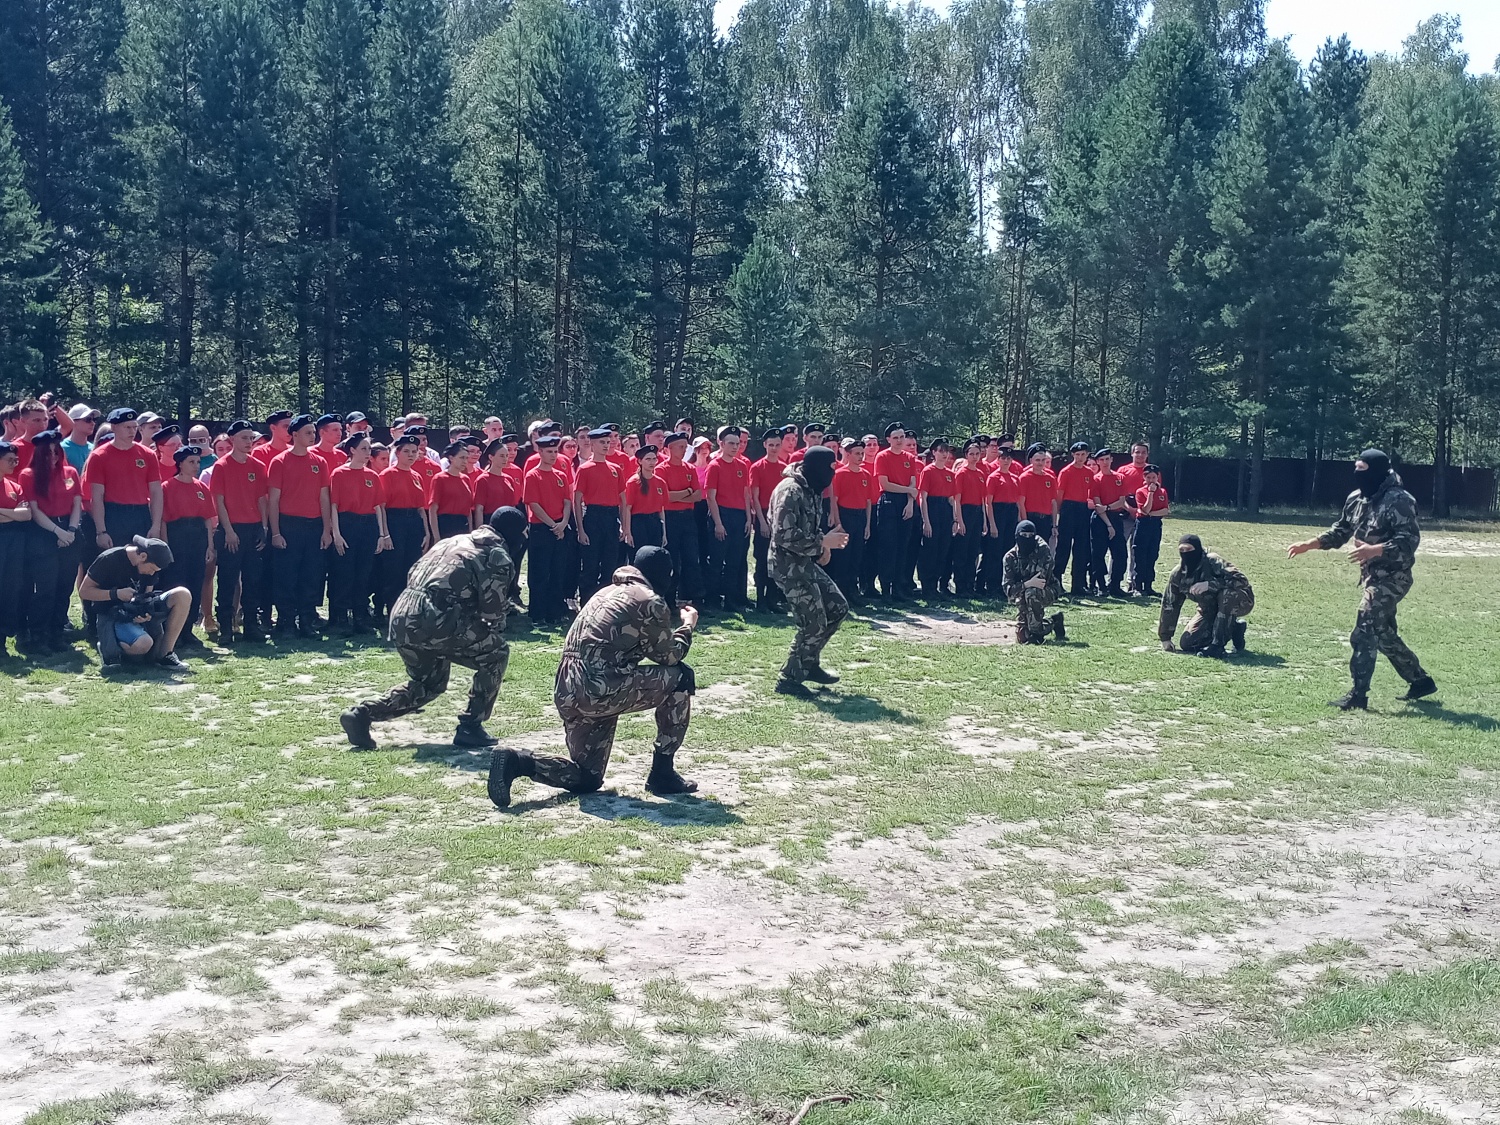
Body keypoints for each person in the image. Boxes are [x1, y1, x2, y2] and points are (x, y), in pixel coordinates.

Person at [488, 545, 701, 807]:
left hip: (568, 689)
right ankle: (663, 773)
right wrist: (687, 626)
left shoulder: (605, 592)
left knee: (588, 777)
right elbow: (670, 656)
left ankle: (518, 762)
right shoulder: (648, 601)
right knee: (680, 677)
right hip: (600, 688)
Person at [340, 508, 525, 751]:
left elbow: (414, 572)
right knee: (496, 653)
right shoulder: (496, 555)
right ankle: (471, 725)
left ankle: (363, 713)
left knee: (429, 683)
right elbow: (493, 611)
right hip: (437, 619)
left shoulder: (452, 541)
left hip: (403, 615)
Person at [1287, 449, 1436, 710]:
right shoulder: (1356, 499)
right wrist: (1310, 544)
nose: (1358, 475)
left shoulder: (1399, 500)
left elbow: (1408, 541)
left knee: (1365, 627)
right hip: (1371, 576)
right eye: (1356, 469)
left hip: (1394, 577)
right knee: (1383, 633)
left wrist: (1375, 550)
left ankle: (1358, 695)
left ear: (1378, 471)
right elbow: (1341, 530)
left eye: (1363, 470)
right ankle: (1420, 680)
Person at [769, 446, 849, 695]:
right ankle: (788, 679)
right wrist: (822, 543)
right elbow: (783, 535)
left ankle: (808, 663)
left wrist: (821, 547)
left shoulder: (812, 487)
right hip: (787, 567)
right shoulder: (790, 491)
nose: (832, 474)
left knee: (837, 607)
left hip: (805, 562)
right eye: (830, 468)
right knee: (813, 623)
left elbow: (810, 527)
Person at [78, 535, 193, 672]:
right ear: (143, 556)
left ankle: (165, 655)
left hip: (134, 611)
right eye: (152, 569)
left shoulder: (149, 566)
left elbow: (146, 596)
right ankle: (109, 648)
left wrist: (146, 613)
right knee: (144, 644)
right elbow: (84, 591)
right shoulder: (109, 559)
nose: (152, 573)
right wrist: (116, 594)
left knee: (182, 594)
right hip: (113, 614)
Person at [268, 415, 332, 637]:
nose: (312, 436)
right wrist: (275, 532)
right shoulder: (280, 461)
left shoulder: (319, 462)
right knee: (286, 575)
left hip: (314, 526)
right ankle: (286, 622)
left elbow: (324, 498)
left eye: (313, 432)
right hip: (289, 525)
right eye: (307, 432)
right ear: (294, 435)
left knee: (312, 575)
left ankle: (306, 620)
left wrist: (326, 530)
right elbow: (273, 500)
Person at [17, 431, 82, 652]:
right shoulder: (28, 474)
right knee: (46, 587)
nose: (53, 457)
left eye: (57, 452)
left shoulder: (70, 472)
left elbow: (76, 504)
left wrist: (71, 530)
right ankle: (38, 636)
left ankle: (57, 632)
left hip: (69, 529)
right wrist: (58, 532)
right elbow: (34, 510)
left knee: (64, 586)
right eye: (48, 453)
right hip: (43, 532)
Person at [210, 420, 270, 645]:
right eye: (244, 438)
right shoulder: (222, 466)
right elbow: (219, 501)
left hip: (253, 528)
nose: (248, 442)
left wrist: (263, 527)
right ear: (232, 440)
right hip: (231, 530)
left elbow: (261, 499)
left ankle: (251, 626)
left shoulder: (257, 466)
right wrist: (228, 531)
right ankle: (226, 627)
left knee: (253, 580)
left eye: (250, 438)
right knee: (227, 580)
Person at [328, 432, 389, 634]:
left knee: (363, 574)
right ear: (352, 450)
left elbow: (378, 507)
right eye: (363, 449)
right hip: (347, 523)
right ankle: (340, 618)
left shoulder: (372, 476)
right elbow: (334, 506)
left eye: (369, 450)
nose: (366, 453)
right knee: (344, 573)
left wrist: (381, 534)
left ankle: (360, 617)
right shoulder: (339, 473)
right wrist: (336, 533)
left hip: (368, 525)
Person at [1158, 535, 1253, 658]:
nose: (1186, 554)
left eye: (1189, 549)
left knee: (1226, 595)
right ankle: (1235, 628)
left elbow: (1241, 581)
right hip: (1209, 608)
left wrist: (1210, 585)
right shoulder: (1179, 574)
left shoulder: (1213, 561)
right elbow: (1170, 604)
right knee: (1188, 644)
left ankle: (1217, 646)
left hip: (1239, 601)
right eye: (1182, 550)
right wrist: (1165, 637)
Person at [159, 447, 217, 645]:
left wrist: (210, 546)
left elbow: (208, 519)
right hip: (177, 536)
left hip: (197, 537)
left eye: (198, 462)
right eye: (191, 462)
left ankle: (188, 628)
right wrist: (165, 544)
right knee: (176, 580)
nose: (196, 466)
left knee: (195, 580)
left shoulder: (201, 488)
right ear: (180, 464)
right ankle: (172, 628)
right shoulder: (167, 487)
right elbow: (164, 519)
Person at [86, 409, 164, 551]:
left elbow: (156, 491)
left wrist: (155, 525)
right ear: (114, 427)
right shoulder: (99, 456)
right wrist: (101, 531)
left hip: (141, 514)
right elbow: (96, 497)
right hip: (113, 514)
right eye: (127, 427)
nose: (132, 431)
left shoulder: (148, 455)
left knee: (144, 566)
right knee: (116, 566)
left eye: (134, 427)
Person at [378, 434, 429, 619]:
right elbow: (382, 507)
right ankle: (391, 609)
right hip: (395, 520)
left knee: (412, 567)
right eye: (406, 451)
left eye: (414, 452)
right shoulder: (387, 475)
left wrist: (426, 532)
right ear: (397, 453)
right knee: (394, 568)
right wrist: (385, 533)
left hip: (413, 522)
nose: (411, 455)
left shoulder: (416, 475)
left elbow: (421, 508)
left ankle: (409, 609)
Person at [523, 433, 571, 625]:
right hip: (541, 529)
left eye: (555, 452)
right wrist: (553, 525)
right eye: (549, 452)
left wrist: (563, 523)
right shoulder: (532, 475)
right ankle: (538, 614)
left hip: (560, 527)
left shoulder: (561, 475)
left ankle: (554, 612)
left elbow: (567, 501)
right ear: (540, 452)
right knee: (540, 573)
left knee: (558, 571)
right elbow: (533, 504)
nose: (553, 455)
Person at [574, 428, 626, 601]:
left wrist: (624, 527)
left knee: (610, 562)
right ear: (593, 444)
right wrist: (580, 530)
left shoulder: (616, 469)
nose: (606, 445)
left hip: (611, 518)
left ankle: (606, 601)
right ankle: (587, 601)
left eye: (607, 441)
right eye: (602, 442)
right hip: (593, 516)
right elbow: (577, 499)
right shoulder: (585, 469)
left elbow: (622, 500)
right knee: (590, 563)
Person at [704, 427, 752, 611]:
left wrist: (748, 519)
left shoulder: (742, 466)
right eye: (731, 443)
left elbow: (746, 494)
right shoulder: (714, 466)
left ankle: (731, 601)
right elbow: (711, 497)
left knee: (734, 560)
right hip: (721, 514)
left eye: (737, 443)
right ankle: (712, 600)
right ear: (721, 444)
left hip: (739, 516)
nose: (735, 447)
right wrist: (718, 523)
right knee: (716, 561)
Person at [873, 423, 919, 601]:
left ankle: (898, 588)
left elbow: (912, 483)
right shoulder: (882, 457)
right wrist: (908, 491)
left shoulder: (910, 457)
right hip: (889, 501)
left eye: (902, 437)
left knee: (903, 547)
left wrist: (909, 502)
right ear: (889, 440)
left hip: (906, 503)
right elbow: (885, 484)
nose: (899, 441)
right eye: (896, 437)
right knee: (888, 546)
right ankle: (886, 588)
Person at [658, 432, 704, 605]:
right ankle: (669, 599)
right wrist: (686, 492)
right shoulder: (661, 469)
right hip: (670, 518)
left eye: (686, 446)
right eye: (681, 447)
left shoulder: (690, 468)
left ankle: (697, 598)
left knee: (692, 558)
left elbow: (698, 495)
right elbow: (664, 497)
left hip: (687, 517)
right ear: (670, 448)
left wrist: (679, 496)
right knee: (672, 559)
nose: (685, 450)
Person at [1003, 520, 1065, 644]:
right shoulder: (1010, 557)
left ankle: (1036, 633)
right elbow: (1008, 590)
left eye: (1030, 535)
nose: (1027, 539)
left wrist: (1025, 585)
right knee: (1022, 636)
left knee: (1031, 593)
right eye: (1024, 535)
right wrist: (1026, 584)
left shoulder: (1042, 551)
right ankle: (1054, 621)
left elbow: (1040, 582)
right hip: (1023, 593)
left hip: (1048, 589)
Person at [829, 437, 874, 603]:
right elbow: (834, 500)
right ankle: (841, 592)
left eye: (862, 453)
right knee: (843, 556)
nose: (860, 456)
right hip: (845, 515)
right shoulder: (840, 474)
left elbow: (868, 501)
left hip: (860, 516)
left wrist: (868, 524)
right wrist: (838, 523)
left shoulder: (866, 475)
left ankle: (853, 590)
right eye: (857, 453)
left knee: (857, 555)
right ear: (848, 454)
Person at [0, 442, 34, 657]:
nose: (15, 463)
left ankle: (2, 639)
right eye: (10, 460)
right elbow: (18, 514)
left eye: (16, 460)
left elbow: (26, 515)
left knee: (10, 589)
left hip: (14, 542)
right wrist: (13, 513)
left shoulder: (14, 486)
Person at [749, 429, 786, 611]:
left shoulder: (783, 467)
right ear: (765, 445)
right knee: (762, 559)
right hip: (763, 514)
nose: (774, 448)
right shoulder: (757, 467)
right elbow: (754, 497)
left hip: (779, 514)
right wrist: (762, 522)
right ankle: (761, 599)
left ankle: (773, 599)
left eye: (777, 445)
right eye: (770, 445)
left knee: (777, 560)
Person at [917, 441, 959, 597]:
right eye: (940, 451)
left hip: (945, 512)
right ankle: (927, 586)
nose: (944, 454)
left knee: (943, 550)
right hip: (932, 509)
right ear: (933, 453)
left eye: (946, 451)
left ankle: (937, 585)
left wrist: (955, 520)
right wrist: (926, 521)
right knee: (930, 550)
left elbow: (951, 499)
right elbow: (923, 498)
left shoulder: (950, 474)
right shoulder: (928, 471)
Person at [1089, 448, 1130, 597]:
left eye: (1107, 459)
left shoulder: (1120, 477)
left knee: (1120, 553)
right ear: (1098, 462)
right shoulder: (1095, 479)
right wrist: (1108, 525)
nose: (1105, 462)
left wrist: (1107, 508)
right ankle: (1101, 586)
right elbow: (1098, 505)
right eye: (1102, 460)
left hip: (1115, 517)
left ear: (1111, 460)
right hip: (1100, 520)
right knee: (1098, 553)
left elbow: (1122, 500)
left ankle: (1115, 585)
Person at [1055, 442, 1093, 595]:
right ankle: (1057, 581)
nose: (1080, 458)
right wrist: (1058, 513)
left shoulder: (1089, 472)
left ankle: (1078, 584)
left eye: (1083, 454)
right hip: (1068, 508)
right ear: (1073, 455)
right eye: (1077, 455)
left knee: (1081, 548)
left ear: (1087, 455)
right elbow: (1059, 494)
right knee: (1064, 547)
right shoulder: (1066, 472)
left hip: (1083, 509)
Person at [951, 439, 987, 597]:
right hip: (965, 511)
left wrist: (984, 521)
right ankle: (960, 585)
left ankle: (969, 585)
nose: (974, 457)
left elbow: (983, 499)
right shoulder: (962, 473)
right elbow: (957, 499)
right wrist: (959, 520)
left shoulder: (980, 474)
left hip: (978, 512)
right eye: (971, 454)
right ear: (966, 455)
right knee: (962, 551)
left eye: (977, 454)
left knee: (973, 551)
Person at [982, 447, 1020, 595]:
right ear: (998, 460)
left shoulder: (1015, 478)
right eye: (1003, 458)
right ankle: (991, 584)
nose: (1006, 461)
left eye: (1008, 458)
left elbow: (1017, 501)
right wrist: (992, 524)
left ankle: (1005, 584)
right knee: (994, 552)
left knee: (1007, 550)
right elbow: (988, 502)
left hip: (1011, 513)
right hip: (998, 512)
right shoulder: (993, 477)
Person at [1116, 442, 1150, 592]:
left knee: (1137, 550)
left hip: (1143, 517)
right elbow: (1117, 494)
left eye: (1143, 452)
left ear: (1147, 454)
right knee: (1118, 547)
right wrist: (1129, 509)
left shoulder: (1151, 471)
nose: (1140, 455)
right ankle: (1114, 580)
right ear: (1132, 453)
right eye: (1137, 452)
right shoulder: (1123, 471)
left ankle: (1133, 582)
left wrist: (1141, 511)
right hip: (1125, 514)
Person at [1131, 465, 1169, 598]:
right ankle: (1137, 586)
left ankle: (1148, 585)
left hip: (1155, 525)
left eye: (1154, 477)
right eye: (1148, 477)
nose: (1152, 480)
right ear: (1144, 478)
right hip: (1143, 524)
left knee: (1152, 554)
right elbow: (1145, 510)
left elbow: (1165, 510)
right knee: (1140, 554)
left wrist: (1152, 513)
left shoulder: (1163, 492)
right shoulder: (1141, 492)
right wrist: (1151, 493)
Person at [429, 442, 476, 540]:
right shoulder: (439, 478)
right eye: (462, 458)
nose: (465, 461)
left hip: (463, 525)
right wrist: (436, 537)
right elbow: (433, 509)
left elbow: (468, 510)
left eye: (466, 458)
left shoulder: (466, 479)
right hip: (446, 524)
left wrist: (470, 532)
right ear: (451, 458)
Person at [626, 444, 668, 550]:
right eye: (648, 459)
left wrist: (664, 533)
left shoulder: (660, 482)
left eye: (654, 459)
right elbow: (627, 508)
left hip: (655, 522)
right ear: (640, 461)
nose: (652, 462)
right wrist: (628, 532)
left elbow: (661, 509)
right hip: (639, 523)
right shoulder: (633, 482)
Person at [1016, 443, 1058, 544]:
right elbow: (1021, 503)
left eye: (1043, 460)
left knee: (1043, 550)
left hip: (1046, 520)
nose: (1040, 463)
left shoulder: (1050, 478)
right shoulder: (1024, 478)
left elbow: (1053, 503)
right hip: (1031, 518)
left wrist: (1054, 525)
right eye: (1037, 460)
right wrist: (1025, 522)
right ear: (1031, 461)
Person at [62, 406, 99, 472]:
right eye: (88, 419)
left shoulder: (94, 449)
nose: (93, 423)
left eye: (94, 420)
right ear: (73, 421)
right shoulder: (62, 448)